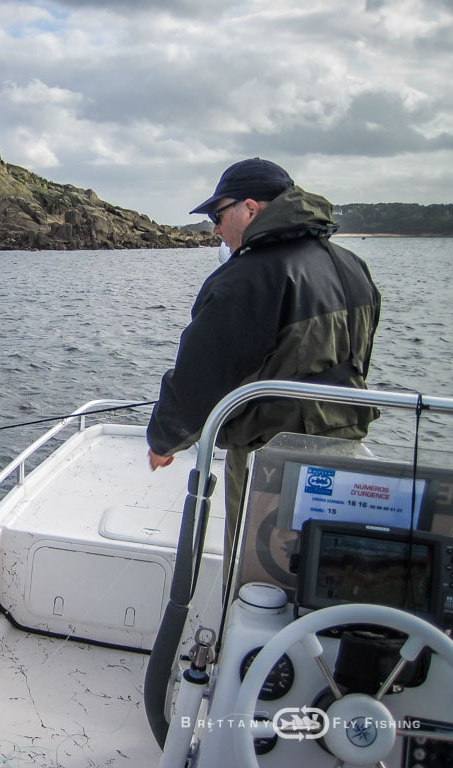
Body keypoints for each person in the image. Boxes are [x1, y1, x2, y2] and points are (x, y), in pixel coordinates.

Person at [146, 158, 381, 563]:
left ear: (250, 209)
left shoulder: (247, 276)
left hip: (272, 457)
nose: (215, 229)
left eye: (217, 215)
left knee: (260, 572)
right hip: (347, 445)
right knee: (330, 566)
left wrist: (165, 441)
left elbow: (202, 376)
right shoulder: (350, 265)